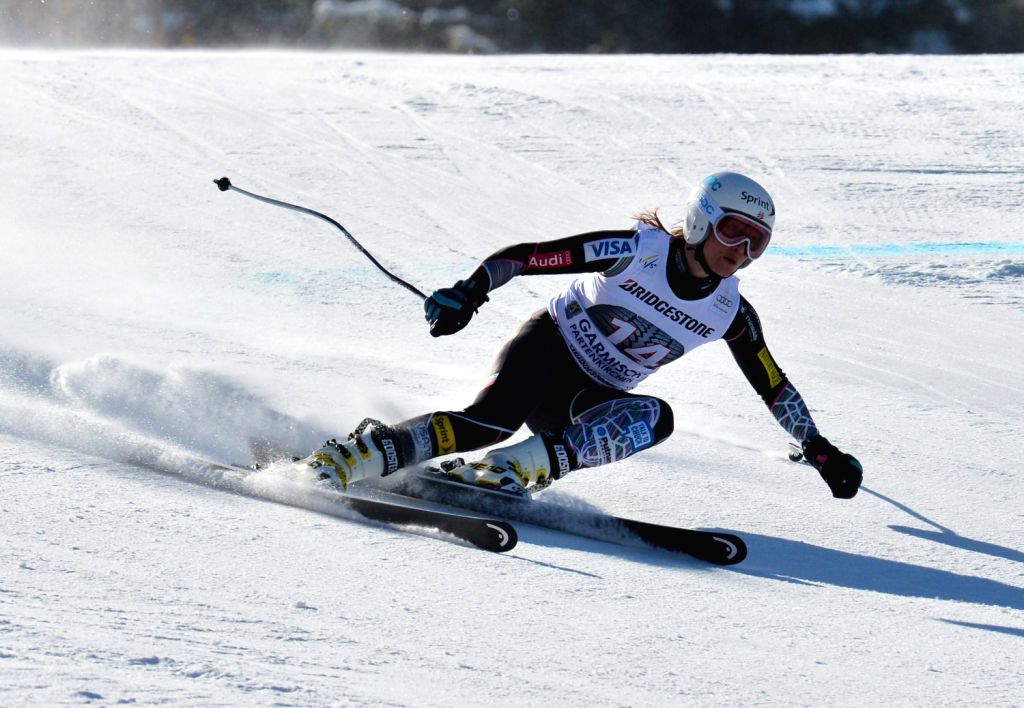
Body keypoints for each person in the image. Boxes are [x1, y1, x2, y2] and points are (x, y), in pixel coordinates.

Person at [307, 171, 863, 500]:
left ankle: (512, 472)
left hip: (583, 399)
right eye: (731, 232)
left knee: (655, 417)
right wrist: (469, 291)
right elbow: (527, 258)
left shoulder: (730, 312)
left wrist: (818, 448)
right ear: (700, 220)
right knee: (489, 422)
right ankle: (357, 456)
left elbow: (772, 384)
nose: (739, 252)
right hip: (547, 349)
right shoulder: (636, 250)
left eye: (756, 244)